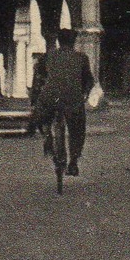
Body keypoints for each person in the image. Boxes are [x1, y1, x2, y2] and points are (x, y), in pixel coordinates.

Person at [29, 33, 96, 176]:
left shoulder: (47, 56)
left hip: (50, 98)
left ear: (59, 42)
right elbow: (89, 80)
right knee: (78, 129)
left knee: (39, 118)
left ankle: (47, 138)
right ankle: (73, 162)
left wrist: (34, 98)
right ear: (73, 43)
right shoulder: (82, 57)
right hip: (73, 99)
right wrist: (84, 94)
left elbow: (38, 77)